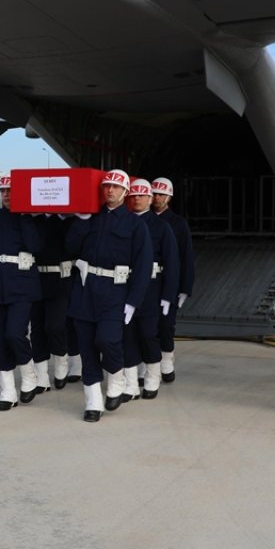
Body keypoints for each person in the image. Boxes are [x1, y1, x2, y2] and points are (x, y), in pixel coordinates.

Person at [65, 170, 153, 422]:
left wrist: (133, 301)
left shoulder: (136, 225)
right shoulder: (90, 218)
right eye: (106, 187)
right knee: (87, 348)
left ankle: (116, 378)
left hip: (115, 293)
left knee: (108, 340)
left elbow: (144, 265)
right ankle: (93, 402)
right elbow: (70, 248)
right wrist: (80, 220)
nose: (110, 191)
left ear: (125, 192)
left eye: (115, 187)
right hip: (85, 290)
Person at [0, 176, 45, 410]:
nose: (7, 195)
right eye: (4, 191)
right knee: (0, 338)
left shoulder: (32, 219)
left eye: (11, 191)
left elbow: (37, 248)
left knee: (15, 334)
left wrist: (25, 216)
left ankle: (29, 375)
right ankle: (7, 390)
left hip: (23, 285)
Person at [123, 179, 179, 400]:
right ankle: (130, 383)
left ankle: (152, 377)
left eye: (141, 195)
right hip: (125, 285)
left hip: (152, 288)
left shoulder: (161, 227)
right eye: (133, 195)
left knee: (148, 334)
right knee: (127, 335)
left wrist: (168, 295)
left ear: (149, 198)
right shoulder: (124, 222)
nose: (137, 199)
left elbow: (172, 263)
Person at [150, 177, 195, 383]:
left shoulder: (178, 223)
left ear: (169, 197)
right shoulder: (144, 219)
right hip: (149, 279)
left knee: (167, 324)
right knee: (148, 324)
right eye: (154, 194)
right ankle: (149, 363)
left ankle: (167, 359)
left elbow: (186, 257)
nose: (157, 198)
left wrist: (185, 287)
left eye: (161, 194)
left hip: (170, 279)